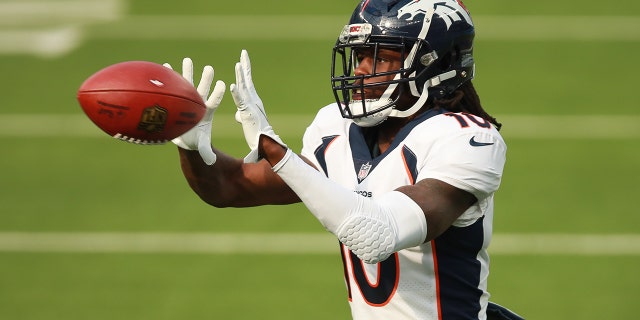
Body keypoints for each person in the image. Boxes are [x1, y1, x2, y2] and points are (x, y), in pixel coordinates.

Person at [164, 0, 523, 319]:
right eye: (361, 54)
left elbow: (377, 235)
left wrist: (276, 151)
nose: (363, 69)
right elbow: (228, 187)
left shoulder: (467, 138)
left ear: (434, 65)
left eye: (382, 56)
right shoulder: (335, 127)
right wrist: (192, 148)